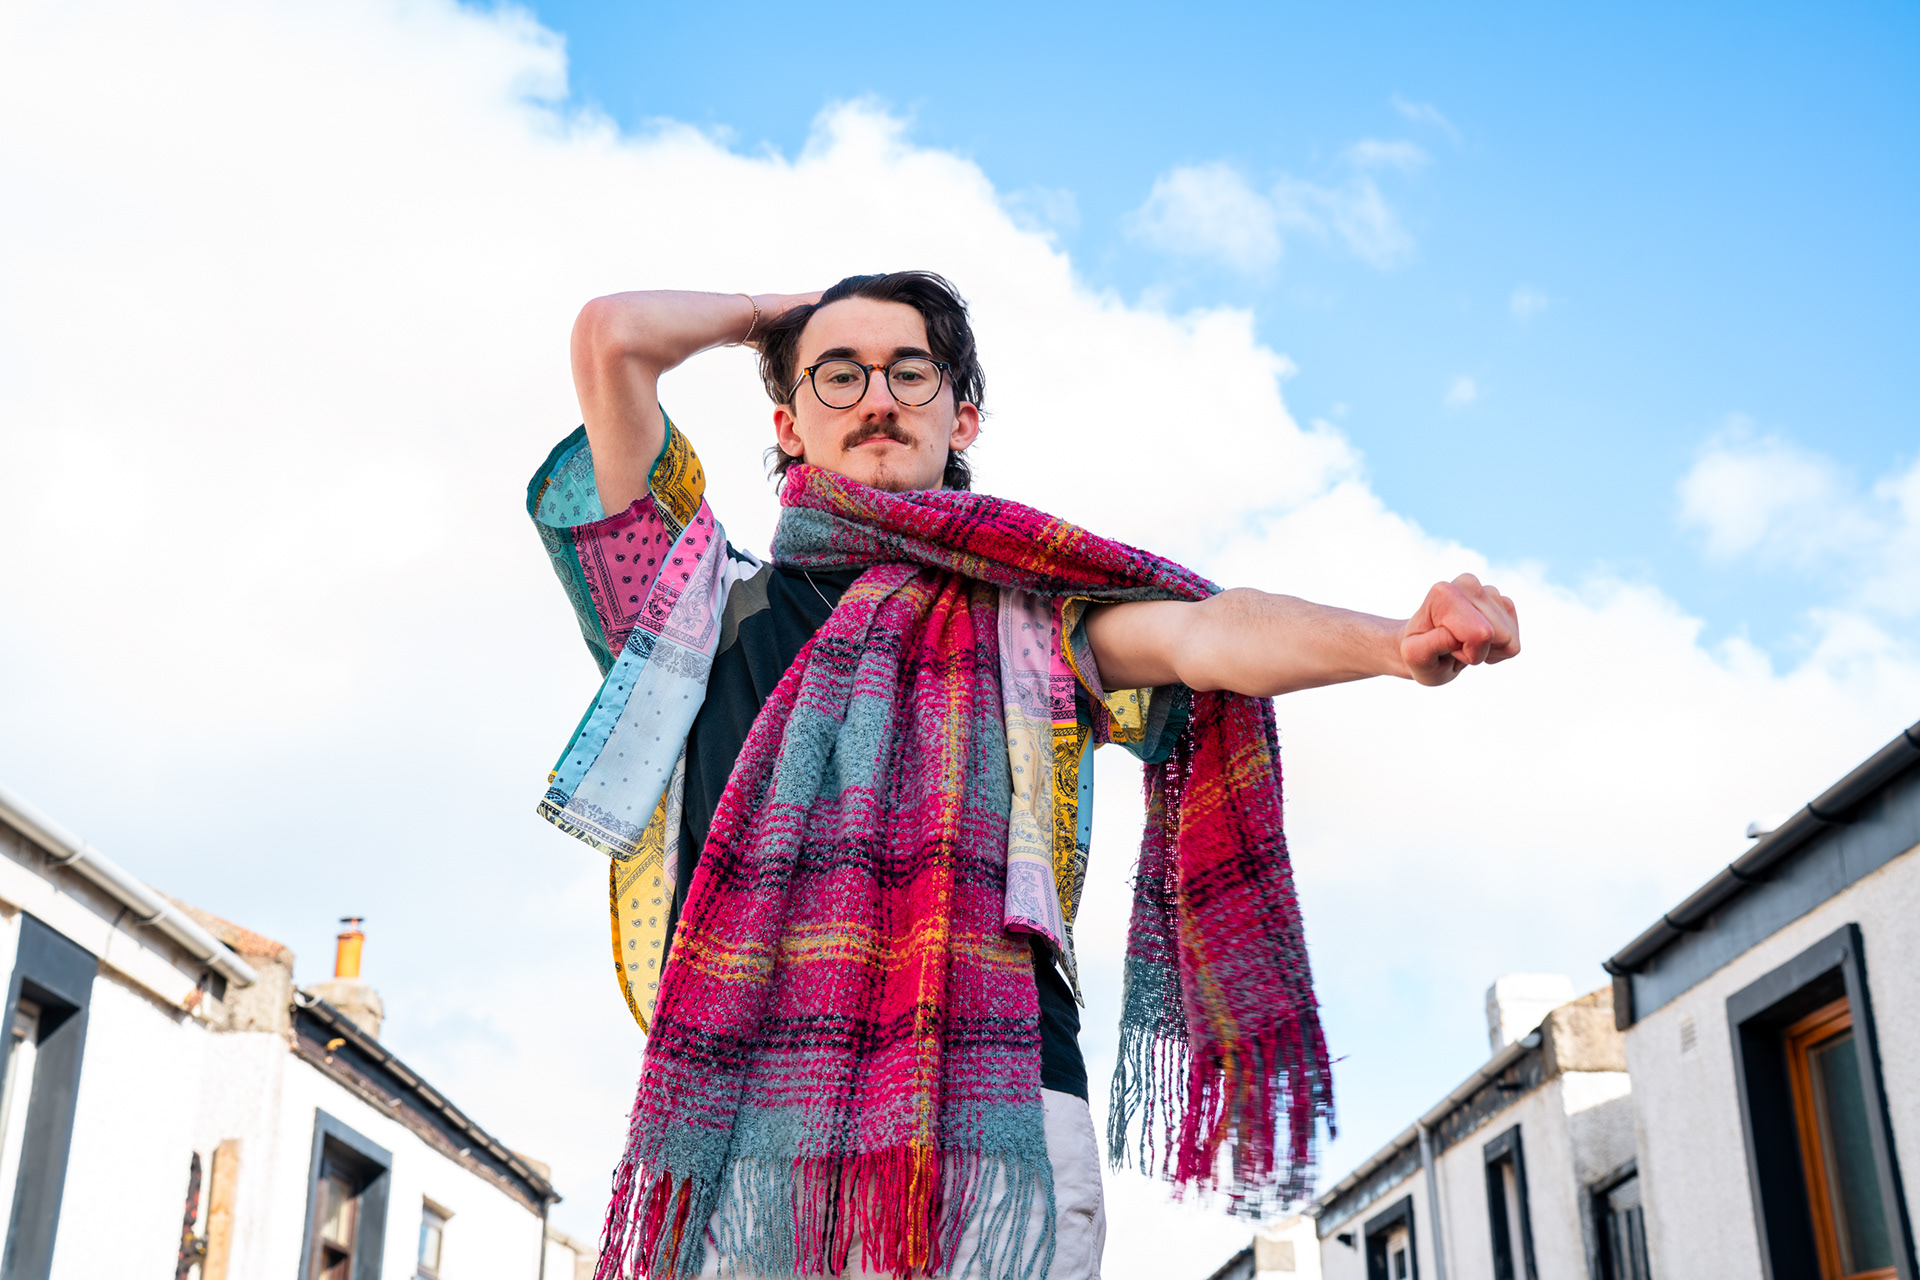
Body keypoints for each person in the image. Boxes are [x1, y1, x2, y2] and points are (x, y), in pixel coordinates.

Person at [529, 273, 1520, 1280]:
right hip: (748, 1119)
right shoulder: (699, 610)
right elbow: (613, 338)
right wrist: (785, 311)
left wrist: (1396, 640)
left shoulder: (1029, 615)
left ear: (962, 416)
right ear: (785, 424)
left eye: (909, 373)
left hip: (1001, 1109)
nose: (877, 397)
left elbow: (1209, 628)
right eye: (839, 376)